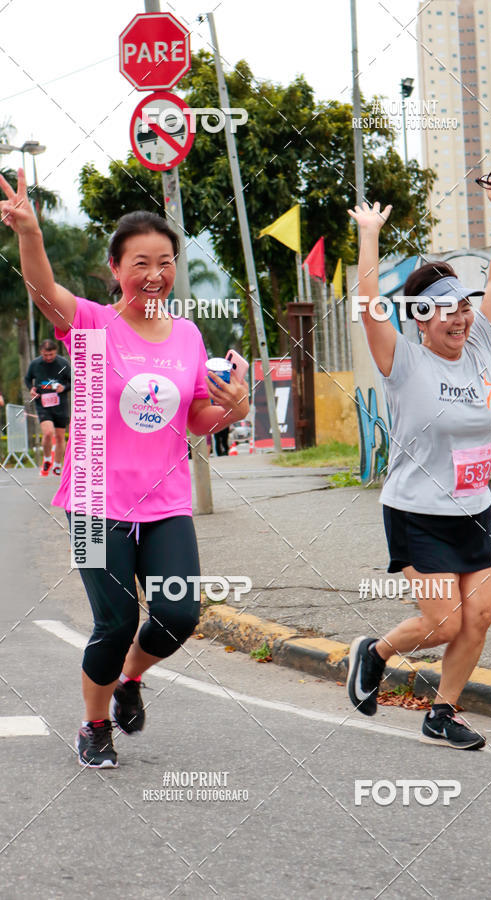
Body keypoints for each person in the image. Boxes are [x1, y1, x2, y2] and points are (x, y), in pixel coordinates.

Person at [0, 170, 249, 768]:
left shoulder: (187, 335)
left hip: (165, 501)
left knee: (179, 614)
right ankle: (93, 725)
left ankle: (130, 681)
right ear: (115, 268)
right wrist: (28, 232)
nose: (154, 274)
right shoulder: (91, 325)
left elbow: (196, 419)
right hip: (93, 501)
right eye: (140, 262)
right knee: (114, 623)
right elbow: (42, 288)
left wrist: (233, 408)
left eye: (165, 262)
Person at [346, 176, 491, 750]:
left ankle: (443, 711)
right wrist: (368, 235)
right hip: (417, 511)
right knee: (443, 624)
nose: (459, 318)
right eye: (443, 311)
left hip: (477, 507)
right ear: (420, 317)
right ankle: (375, 652)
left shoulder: (481, 346)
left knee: (480, 617)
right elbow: (369, 307)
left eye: (462, 307)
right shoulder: (405, 362)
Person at [25, 338, 71, 476]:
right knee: (48, 433)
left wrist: (64, 388)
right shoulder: (35, 364)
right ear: (41, 352)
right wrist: (31, 389)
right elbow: (28, 379)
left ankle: (57, 465)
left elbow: (73, 381)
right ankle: (47, 459)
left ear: (55, 352)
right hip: (43, 403)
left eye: (51, 355)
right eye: (45, 355)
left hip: (60, 404)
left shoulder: (63, 363)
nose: (48, 357)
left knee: (60, 436)